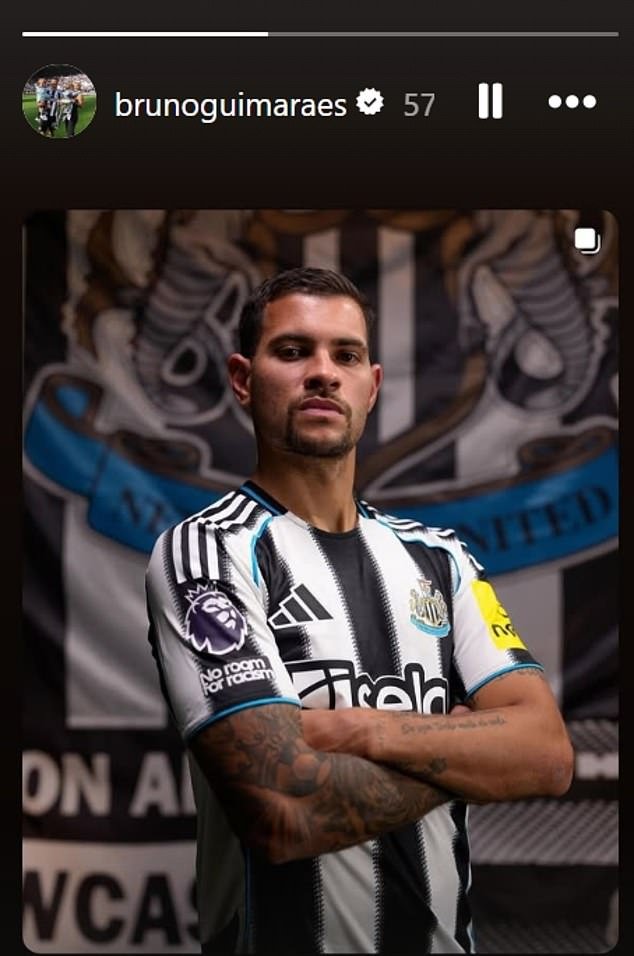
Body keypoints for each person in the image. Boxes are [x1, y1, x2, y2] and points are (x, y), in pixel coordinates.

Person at [145, 267, 574, 954]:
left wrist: (358, 728)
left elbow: (545, 754)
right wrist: (462, 752)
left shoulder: (441, 559)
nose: (323, 372)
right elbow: (283, 810)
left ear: (371, 386)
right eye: (293, 351)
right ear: (242, 378)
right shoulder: (206, 552)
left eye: (345, 355)